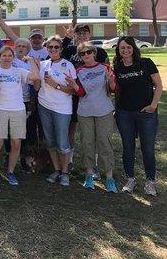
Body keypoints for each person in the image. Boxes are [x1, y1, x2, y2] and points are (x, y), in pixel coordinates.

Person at [64, 42, 118, 193]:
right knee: (87, 142)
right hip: (85, 112)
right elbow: (81, 93)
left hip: (104, 111)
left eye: (88, 52)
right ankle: (89, 175)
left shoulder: (105, 68)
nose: (86, 55)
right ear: (80, 57)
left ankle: (108, 176)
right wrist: (74, 85)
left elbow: (113, 89)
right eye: (82, 53)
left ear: (94, 52)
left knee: (104, 142)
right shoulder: (78, 71)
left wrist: (112, 81)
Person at [113, 36, 162, 196]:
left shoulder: (146, 63)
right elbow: (114, 88)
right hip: (124, 113)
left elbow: (159, 85)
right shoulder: (117, 67)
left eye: (128, 47)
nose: (125, 50)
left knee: (147, 149)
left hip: (146, 113)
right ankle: (130, 179)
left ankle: (150, 182)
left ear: (134, 48)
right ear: (118, 50)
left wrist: (153, 105)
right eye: (122, 48)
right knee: (128, 148)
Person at [0, 47, 39, 185]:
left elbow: (35, 77)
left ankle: (10, 172)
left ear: (13, 57)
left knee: (16, 143)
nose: (7, 57)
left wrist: (31, 61)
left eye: (10, 55)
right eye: (4, 55)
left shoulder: (19, 71)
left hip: (18, 109)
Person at [61, 24, 109, 171]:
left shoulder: (99, 52)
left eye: (85, 33)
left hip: (94, 97)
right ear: (75, 35)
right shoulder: (69, 50)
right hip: (72, 95)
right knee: (71, 128)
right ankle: (69, 161)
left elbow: (107, 73)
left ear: (90, 35)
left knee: (92, 132)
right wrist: (67, 38)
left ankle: (94, 164)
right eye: (79, 33)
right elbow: (54, 53)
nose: (82, 35)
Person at [36, 36, 76, 187]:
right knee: (50, 141)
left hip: (62, 108)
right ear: (47, 49)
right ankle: (57, 170)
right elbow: (36, 82)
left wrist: (56, 85)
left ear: (61, 49)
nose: (53, 50)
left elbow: (73, 90)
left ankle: (65, 173)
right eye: (50, 47)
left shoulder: (68, 65)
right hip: (44, 106)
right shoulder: (43, 64)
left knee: (62, 142)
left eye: (56, 47)